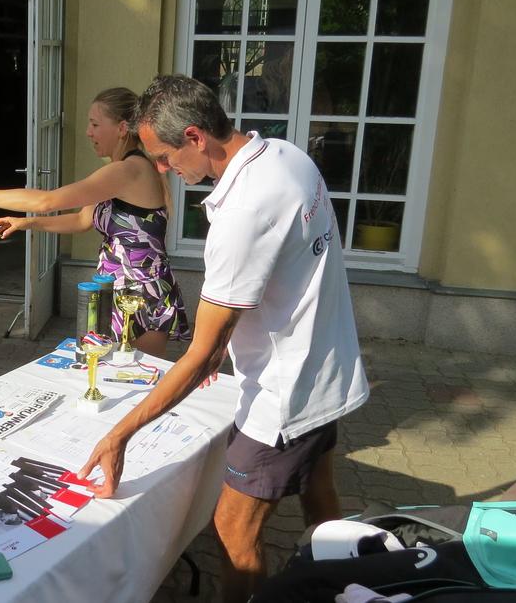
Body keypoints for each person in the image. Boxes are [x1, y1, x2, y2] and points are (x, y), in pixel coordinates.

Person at [78, 75, 370, 602]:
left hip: (285, 394)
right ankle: (353, 585)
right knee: (318, 490)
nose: (162, 170)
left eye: (164, 157)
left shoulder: (243, 212)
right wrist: (220, 347)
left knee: (234, 527)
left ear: (195, 136)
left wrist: (120, 434)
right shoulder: (284, 155)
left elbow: (203, 351)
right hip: (327, 366)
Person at [0, 87, 189, 357]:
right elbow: (82, 220)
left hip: (141, 296)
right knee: (113, 374)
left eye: (95, 124)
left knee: (135, 377)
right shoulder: (118, 171)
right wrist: (27, 223)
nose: (88, 132)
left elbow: (47, 201)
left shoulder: (127, 170)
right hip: (118, 290)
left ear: (122, 128)